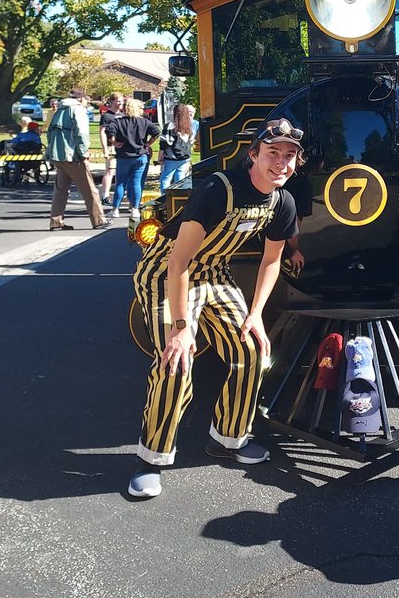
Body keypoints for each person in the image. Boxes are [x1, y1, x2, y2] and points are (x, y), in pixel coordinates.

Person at [127, 118, 303, 499]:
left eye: (290, 156)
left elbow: (271, 261)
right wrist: (180, 326)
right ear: (253, 154)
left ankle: (228, 438)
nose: (282, 163)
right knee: (177, 360)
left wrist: (255, 314)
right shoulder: (217, 189)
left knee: (251, 349)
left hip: (215, 273)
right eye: (273, 153)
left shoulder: (282, 201)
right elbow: (179, 263)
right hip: (167, 272)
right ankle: (151, 460)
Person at [45, 87, 109, 231]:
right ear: (81, 99)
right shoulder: (78, 109)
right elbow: (81, 133)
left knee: (60, 190)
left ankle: (56, 221)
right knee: (89, 189)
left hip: (58, 155)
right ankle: (99, 220)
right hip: (73, 156)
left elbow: (49, 133)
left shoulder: (59, 110)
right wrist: (83, 152)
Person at [109, 99, 160, 220]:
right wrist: (148, 143)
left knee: (121, 183)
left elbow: (109, 131)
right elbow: (156, 132)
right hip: (140, 156)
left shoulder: (118, 122)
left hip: (124, 156)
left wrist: (114, 142)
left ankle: (115, 209)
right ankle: (135, 209)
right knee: (136, 182)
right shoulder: (144, 122)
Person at [158, 102, 198, 191]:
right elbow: (191, 141)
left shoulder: (170, 126)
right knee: (180, 180)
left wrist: (160, 157)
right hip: (185, 158)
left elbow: (164, 143)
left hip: (171, 158)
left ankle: (165, 201)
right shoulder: (190, 126)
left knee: (165, 180)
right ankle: (178, 199)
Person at [98, 93, 125, 204]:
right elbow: (102, 133)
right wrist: (105, 148)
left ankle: (119, 195)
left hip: (123, 147)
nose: (120, 103)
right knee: (110, 171)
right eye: (118, 101)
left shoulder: (123, 115)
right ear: (113, 101)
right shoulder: (106, 116)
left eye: (122, 101)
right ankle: (105, 195)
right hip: (111, 147)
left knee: (121, 172)